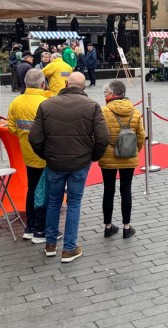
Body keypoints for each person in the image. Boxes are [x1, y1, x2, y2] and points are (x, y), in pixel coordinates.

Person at [29, 72, 109, 263]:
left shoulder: (46, 104)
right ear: (84, 87)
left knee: (54, 201)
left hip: (55, 163)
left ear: (66, 83)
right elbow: (103, 138)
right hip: (80, 163)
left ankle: (50, 244)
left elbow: (34, 137)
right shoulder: (92, 106)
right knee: (74, 203)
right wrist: (93, 157)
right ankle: (69, 248)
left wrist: (46, 155)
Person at [7, 69, 52, 242]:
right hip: (46, 155)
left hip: (28, 154)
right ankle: (40, 229)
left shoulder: (16, 102)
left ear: (25, 83)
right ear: (43, 84)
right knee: (45, 192)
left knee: (32, 189)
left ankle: (30, 226)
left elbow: (12, 128)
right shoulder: (47, 102)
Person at [99, 80, 145, 239]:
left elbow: (99, 136)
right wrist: (133, 151)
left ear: (112, 94)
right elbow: (140, 137)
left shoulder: (103, 111)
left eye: (106, 93)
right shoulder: (135, 111)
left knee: (108, 190)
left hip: (108, 156)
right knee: (126, 190)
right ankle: (127, 227)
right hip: (129, 156)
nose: (105, 95)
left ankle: (108, 226)